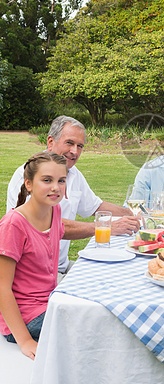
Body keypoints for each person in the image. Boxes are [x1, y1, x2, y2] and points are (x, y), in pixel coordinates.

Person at [7, 116, 139, 276]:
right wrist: (104, 228)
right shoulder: (28, 176)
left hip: (60, 267)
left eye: (80, 146)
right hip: (35, 274)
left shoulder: (73, 174)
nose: (75, 151)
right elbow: (43, 225)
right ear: (50, 142)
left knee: (114, 273)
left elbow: (95, 206)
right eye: (69, 143)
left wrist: (133, 214)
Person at [0, 152, 67, 359]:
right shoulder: (14, 224)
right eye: (47, 180)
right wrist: (25, 340)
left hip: (49, 303)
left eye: (61, 180)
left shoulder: (54, 212)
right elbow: (1, 286)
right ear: (28, 184)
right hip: (23, 319)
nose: (55, 187)